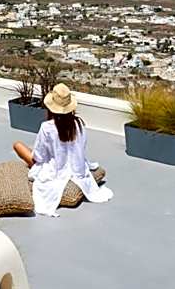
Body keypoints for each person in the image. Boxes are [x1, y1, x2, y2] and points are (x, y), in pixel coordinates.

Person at [13, 83, 113, 217]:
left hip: (55, 171)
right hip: (77, 168)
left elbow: (39, 157)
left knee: (18, 145)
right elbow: (80, 150)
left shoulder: (47, 127)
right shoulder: (79, 124)